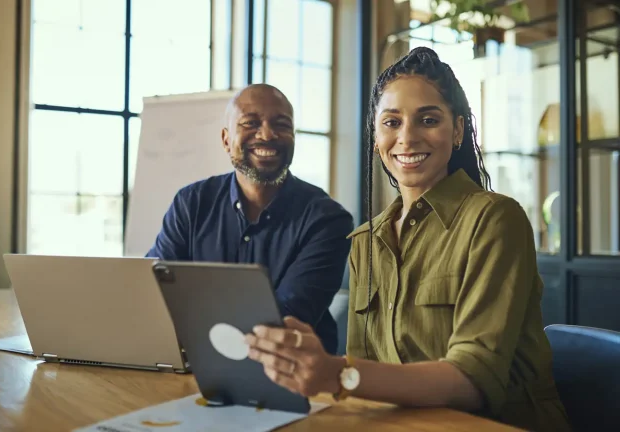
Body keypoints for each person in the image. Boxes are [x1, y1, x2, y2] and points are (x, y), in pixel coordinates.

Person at [244, 47, 571, 432]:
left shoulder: (496, 219)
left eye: (428, 119)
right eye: (391, 122)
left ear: (459, 129)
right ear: (377, 135)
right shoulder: (366, 240)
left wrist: (336, 373)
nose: (407, 138)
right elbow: (364, 372)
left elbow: (473, 379)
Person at [147, 83, 354, 355]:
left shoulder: (327, 220)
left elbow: (285, 322)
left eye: (281, 124)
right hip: (193, 366)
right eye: (250, 123)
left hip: (291, 376)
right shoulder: (191, 203)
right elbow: (155, 290)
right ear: (225, 139)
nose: (267, 134)